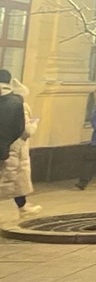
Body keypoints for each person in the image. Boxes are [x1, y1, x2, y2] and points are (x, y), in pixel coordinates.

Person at [0, 72, 39, 218]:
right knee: (14, 180)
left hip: (4, 146)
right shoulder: (18, 104)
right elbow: (26, 130)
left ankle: (23, 206)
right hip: (15, 148)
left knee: (14, 182)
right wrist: (34, 124)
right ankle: (23, 208)